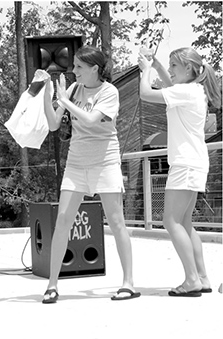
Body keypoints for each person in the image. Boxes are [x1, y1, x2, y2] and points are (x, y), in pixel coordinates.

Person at [40, 46, 137, 303]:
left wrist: (65, 100)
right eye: (73, 65)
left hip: (105, 163)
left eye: (79, 67)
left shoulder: (109, 92)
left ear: (95, 68)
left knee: (116, 223)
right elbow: (53, 124)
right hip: (76, 164)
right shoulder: (72, 90)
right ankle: (52, 285)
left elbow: (92, 120)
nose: (73, 71)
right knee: (62, 221)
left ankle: (128, 283)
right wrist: (47, 97)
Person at [138, 47, 220, 296]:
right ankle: (202, 278)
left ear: (188, 69)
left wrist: (145, 69)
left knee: (170, 221)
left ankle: (191, 280)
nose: (171, 70)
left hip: (184, 163)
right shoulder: (192, 90)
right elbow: (168, 83)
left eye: (175, 66)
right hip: (193, 162)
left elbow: (145, 93)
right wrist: (159, 65)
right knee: (184, 223)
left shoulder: (185, 91)